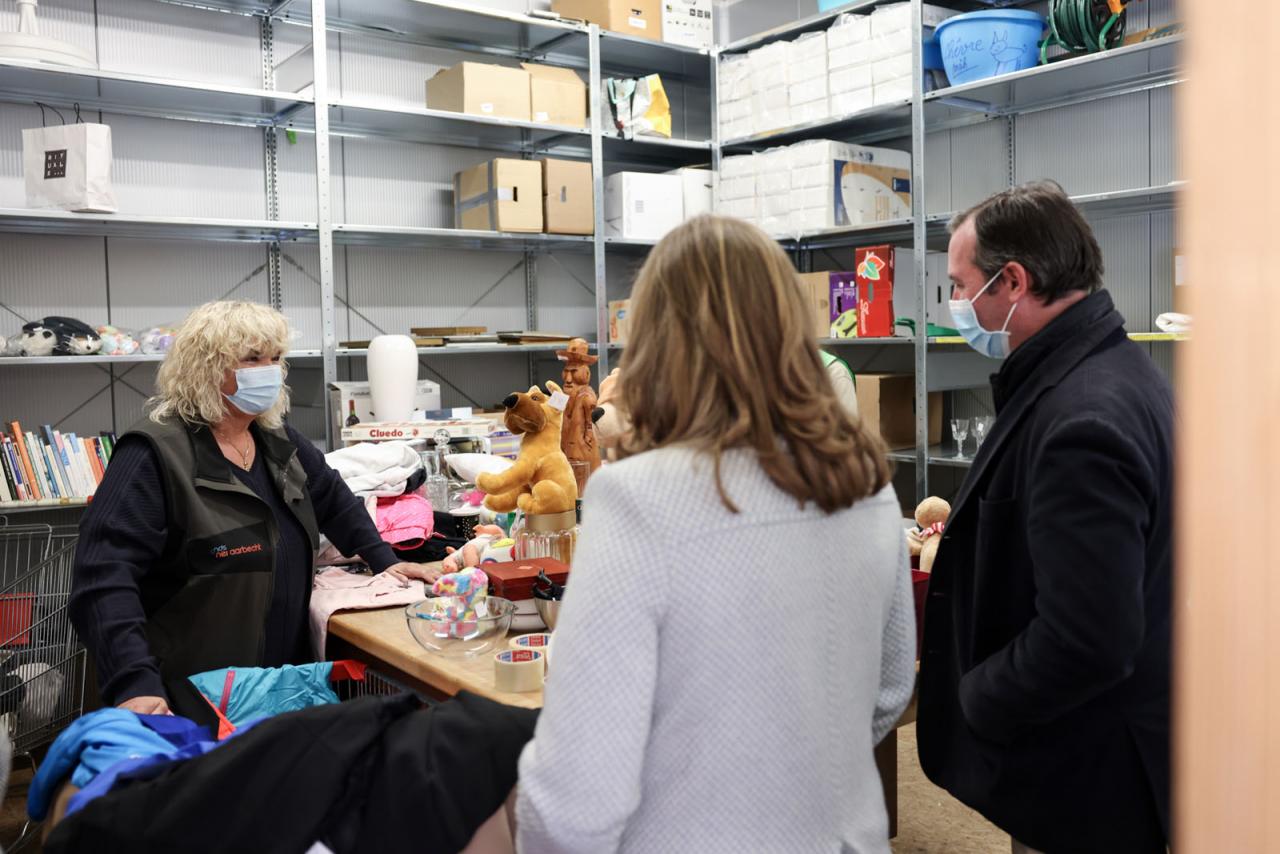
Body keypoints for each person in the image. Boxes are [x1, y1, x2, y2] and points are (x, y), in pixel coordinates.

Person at [516, 215, 916, 853]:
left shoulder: (637, 497)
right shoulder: (864, 482)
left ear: (658, 341)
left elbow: (575, 796)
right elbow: (890, 689)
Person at [916, 182, 1172, 853]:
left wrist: (980, 698)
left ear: (1013, 281)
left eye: (959, 285)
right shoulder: (1112, 371)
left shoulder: (1081, 419)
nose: (954, 306)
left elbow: (1088, 637)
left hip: (1089, 773)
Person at [69, 301, 440, 717]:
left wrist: (384, 559)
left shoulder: (275, 439)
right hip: (187, 696)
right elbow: (103, 580)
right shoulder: (154, 454)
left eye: (275, 358)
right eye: (251, 358)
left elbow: (333, 497)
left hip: (276, 683)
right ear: (205, 368)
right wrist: (133, 683)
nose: (268, 370)